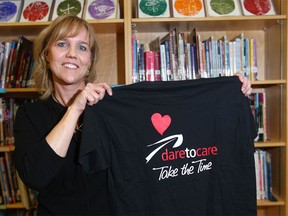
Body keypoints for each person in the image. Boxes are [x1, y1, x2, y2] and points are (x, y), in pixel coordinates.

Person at [14, 14, 252, 215]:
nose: (72, 54)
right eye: (62, 44)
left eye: (82, 47)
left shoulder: (113, 108)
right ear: (47, 54)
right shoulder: (30, 114)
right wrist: (75, 109)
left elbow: (178, 119)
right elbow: (35, 176)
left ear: (90, 60)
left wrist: (229, 94)